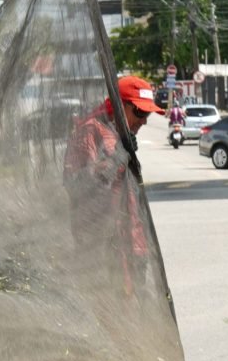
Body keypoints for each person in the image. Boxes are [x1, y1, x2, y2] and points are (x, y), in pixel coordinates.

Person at [63, 75, 162, 294]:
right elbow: (76, 186)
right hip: (103, 249)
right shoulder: (91, 131)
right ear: (119, 106)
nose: (144, 121)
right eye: (140, 112)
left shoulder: (121, 134)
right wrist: (117, 158)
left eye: (147, 114)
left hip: (133, 245)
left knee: (138, 312)